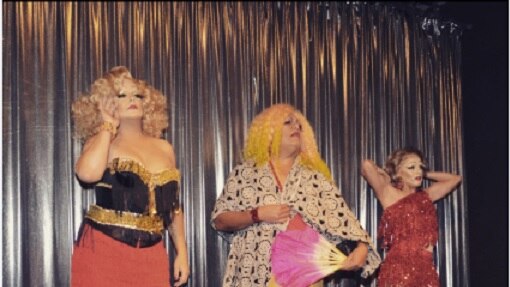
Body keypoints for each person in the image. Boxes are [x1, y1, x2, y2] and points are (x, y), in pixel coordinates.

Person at [211, 103, 381, 287]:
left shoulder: (315, 177)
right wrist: (257, 214)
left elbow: (347, 223)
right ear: (268, 133)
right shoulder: (245, 174)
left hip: (305, 274)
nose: (296, 126)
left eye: (299, 124)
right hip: (257, 272)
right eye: (287, 122)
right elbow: (220, 220)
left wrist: (361, 248)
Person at [70, 66, 189, 287]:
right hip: (103, 251)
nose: (132, 99)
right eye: (122, 95)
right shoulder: (103, 142)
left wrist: (181, 251)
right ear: (107, 102)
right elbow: (86, 174)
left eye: (137, 95)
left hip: (152, 254)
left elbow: (173, 206)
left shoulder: (164, 148)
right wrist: (107, 126)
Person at [361, 147, 462, 287]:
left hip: (426, 269)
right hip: (399, 269)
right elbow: (366, 165)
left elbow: (455, 179)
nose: (418, 171)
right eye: (411, 167)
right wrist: (386, 174)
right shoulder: (388, 193)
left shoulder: (426, 196)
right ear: (398, 172)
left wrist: (425, 173)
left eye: (420, 166)